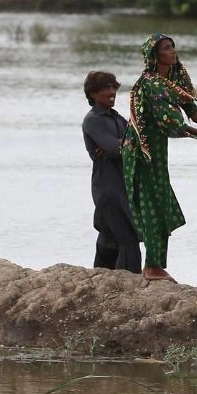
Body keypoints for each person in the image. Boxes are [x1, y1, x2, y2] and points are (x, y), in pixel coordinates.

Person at [122, 34, 197, 282]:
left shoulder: (173, 78)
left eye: (173, 46)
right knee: (152, 203)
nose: (172, 51)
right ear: (155, 56)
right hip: (142, 151)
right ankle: (152, 266)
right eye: (166, 48)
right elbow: (171, 123)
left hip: (157, 149)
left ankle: (155, 265)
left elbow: (192, 111)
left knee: (161, 199)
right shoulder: (152, 84)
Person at [82, 70, 141, 273]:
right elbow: (115, 149)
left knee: (109, 238)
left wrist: (123, 145)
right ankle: (132, 283)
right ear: (93, 94)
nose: (112, 91)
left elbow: (137, 143)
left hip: (122, 185)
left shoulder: (116, 118)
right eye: (106, 88)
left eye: (113, 87)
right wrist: (123, 145)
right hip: (107, 188)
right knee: (128, 237)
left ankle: (98, 279)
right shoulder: (93, 120)